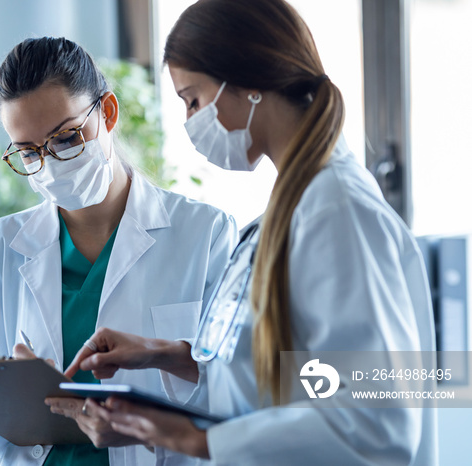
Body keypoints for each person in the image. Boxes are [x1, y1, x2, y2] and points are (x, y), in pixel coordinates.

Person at [56, 1, 438, 465]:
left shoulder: (337, 213)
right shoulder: (291, 210)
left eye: (193, 99)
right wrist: (169, 355)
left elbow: (378, 421)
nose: (191, 121)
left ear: (248, 83)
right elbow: (297, 376)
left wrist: (196, 440)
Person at [0, 36, 237, 466]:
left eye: (65, 138)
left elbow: (242, 390)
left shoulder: (206, 234)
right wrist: (10, 388)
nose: (51, 163)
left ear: (108, 112)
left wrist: (151, 411)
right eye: (29, 152)